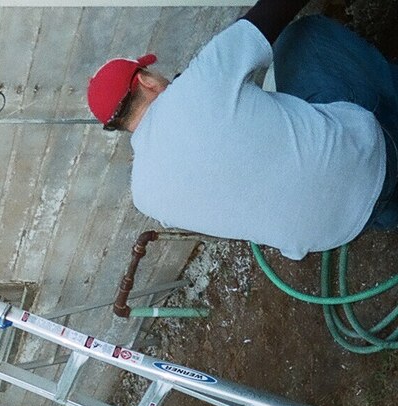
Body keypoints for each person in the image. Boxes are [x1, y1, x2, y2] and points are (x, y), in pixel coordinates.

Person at [86, 0, 398, 260]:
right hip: (373, 162)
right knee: (303, 38)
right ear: (146, 80)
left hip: (335, 231)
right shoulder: (202, 80)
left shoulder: (145, 196)